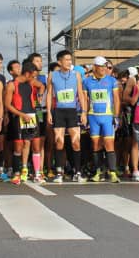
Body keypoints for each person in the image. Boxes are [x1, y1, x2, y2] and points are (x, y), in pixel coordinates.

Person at [46, 50, 87, 183]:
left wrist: (84, 112)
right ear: (60, 62)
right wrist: (48, 112)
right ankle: (59, 173)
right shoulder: (52, 75)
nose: (69, 62)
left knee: (76, 142)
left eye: (70, 60)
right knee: (59, 142)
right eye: (67, 60)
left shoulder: (76, 75)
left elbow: (80, 94)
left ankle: (78, 172)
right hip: (58, 112)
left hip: (72, 111)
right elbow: (49, 95)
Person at [5, 61, 46, 185]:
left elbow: (42, 86)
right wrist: (21, 114)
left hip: (33, 115)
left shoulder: (31, 82)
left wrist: (39, 95)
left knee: (36, 145)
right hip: (19, 117)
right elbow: (7, 104)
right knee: (18, 146)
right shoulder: (12, 85)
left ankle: (37, 173)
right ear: (27, 73)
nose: (34, 78)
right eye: (33, 75)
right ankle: (17, 173)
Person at [81, 56, 121, 183]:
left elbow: (116, 99)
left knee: (109, 144)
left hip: (107, 117)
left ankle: (113, 172)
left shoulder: (111, 80)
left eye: (105, 66)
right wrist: (84, 115)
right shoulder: (87, 81)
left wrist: (116, 116)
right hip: (93, 117)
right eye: (101, 66)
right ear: (95, 67)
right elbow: (86, 100)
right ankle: (98, 172)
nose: (104, 68)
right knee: (96, 145)